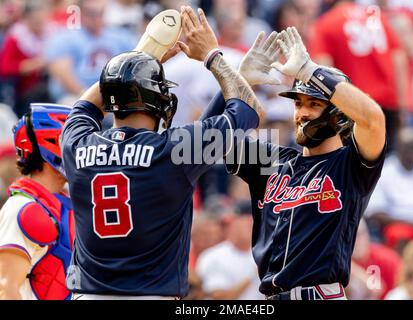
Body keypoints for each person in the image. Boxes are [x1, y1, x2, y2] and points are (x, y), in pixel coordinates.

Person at [60, 6, 264, 299]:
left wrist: (135, 61)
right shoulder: (173, 150)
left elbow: (85, 104)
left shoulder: (77, 144)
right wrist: (213, 57)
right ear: (158, 101)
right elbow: (248, 108)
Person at [201, 26, 386, 300]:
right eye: (298, 104)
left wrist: (311, 70)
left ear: (339, 116)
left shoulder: (351, 165)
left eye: (314, 104)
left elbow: (373, 119)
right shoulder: (271, 161)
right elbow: (202, 143)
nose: (302, 112)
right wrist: (239, 80)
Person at [308, 0, 408, 153]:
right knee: (384, 165)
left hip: (352, 108)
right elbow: (399, 60)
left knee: (354, 171)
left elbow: (323, 72)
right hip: (385, 107)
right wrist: (402, 107)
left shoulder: (326, 23)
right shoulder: (376, 18)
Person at [0, 103, 74, 300]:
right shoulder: (22, 207)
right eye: (71, 142)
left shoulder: (64, 202)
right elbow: (6, 288)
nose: (78, 150)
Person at [196, 200, 264, 300]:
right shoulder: (213, 256)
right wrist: (253, 274)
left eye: (247, 223)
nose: (228, 228)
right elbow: (220, 297)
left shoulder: (264, 252)